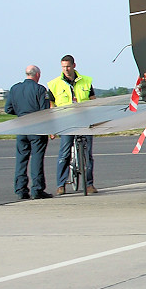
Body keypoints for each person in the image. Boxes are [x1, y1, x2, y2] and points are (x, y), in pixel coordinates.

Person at [47, 54, 96, 195]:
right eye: (63, 67)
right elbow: (52, 106)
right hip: (66, 121)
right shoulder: (54, 84)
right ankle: (61, 185)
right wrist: (53, 127)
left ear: (74, 66)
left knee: (87, 154)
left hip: (84, 121)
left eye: (68, 66)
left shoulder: (86, 81)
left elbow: (93, 101)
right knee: (64, 153)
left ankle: (89, 184)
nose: (66, 69)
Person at [4, 65, 52, 200]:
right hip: (36, 128)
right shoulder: (40, 89)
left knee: (21, 159)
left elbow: (8, 109)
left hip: (21, 127)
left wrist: (20, 113)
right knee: (37, 158)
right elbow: (45, 111)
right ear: (37, 75)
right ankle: (37, 189)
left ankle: (20, 189)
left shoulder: (15, 89)